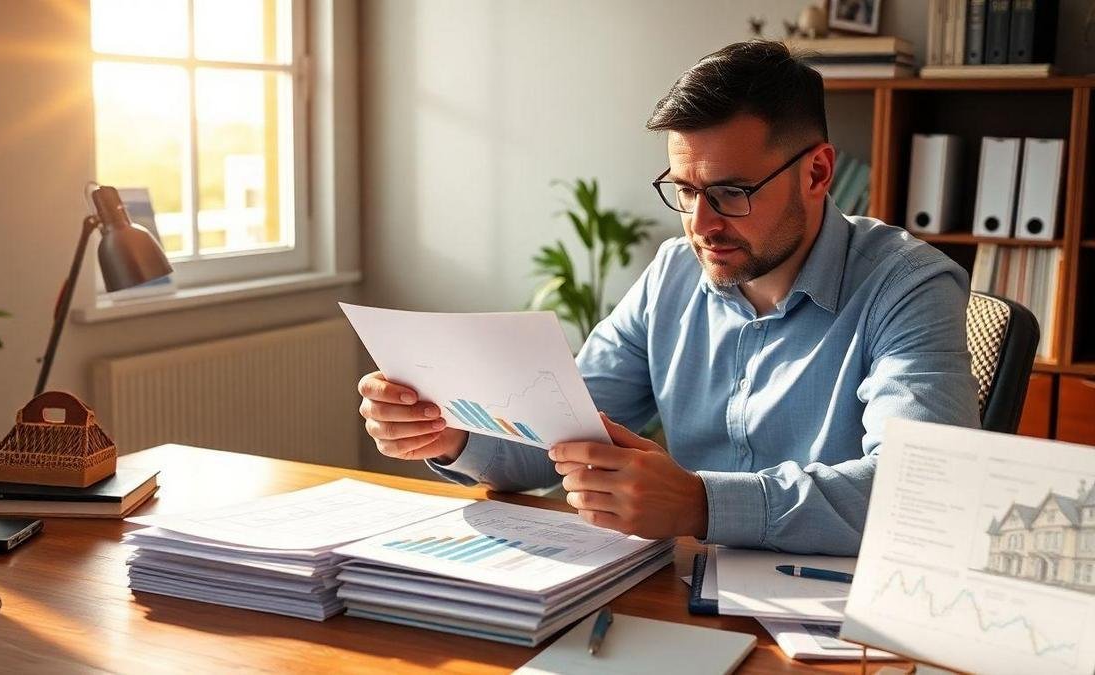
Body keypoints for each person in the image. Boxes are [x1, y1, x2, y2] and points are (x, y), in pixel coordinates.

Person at [356, 40, 979, 555]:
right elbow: (562, 432)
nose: (701, 225)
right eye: (684, 190)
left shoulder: (911, 287)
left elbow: (922, 491)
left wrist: (702, 503)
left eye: (732, 191)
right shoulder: (674, 274)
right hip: (682, 589)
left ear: (816, 173)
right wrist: (451, 435)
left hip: (835, 621)